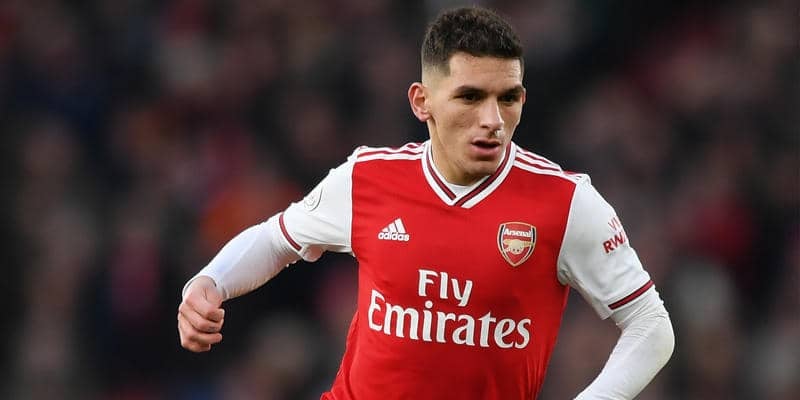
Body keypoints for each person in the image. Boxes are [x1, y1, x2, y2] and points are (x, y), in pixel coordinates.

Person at [177, 6, 674, 399]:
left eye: (508, 98)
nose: (493, 120)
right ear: (422, 102)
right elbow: (276, 239)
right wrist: (210, 283)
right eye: (470, 97)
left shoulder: (566, 203)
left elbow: (651, 324)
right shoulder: (368, 178)